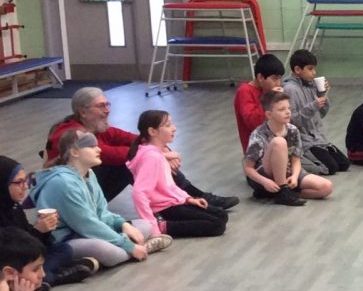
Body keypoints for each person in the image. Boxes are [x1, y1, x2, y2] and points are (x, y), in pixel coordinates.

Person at [45, 87, 237, 209]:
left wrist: (161, 148)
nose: (107, 110)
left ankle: (187, 198)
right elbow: (110, 154)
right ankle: (179, 204)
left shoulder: (94, 126)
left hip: (87, 186)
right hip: (73, 196)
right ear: (83, 112)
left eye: (108, 104)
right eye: (101, 106)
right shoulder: (74, 134)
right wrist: (156, 152)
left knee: (143, 156)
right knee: (133, 163)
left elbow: (132, 138)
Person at [32, 130, 172, 267]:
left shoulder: (89, 173)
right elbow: (86, 224)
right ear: (74, 152)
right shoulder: (63, 183)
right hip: (68, 239)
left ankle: (124, 251)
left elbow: (102, 212)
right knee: (111, 253)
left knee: (145, 225)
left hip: (89, 232)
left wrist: (123, 225)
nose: (98, 149)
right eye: (92, 146)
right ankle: (139, 249)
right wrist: (127, 245)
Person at [0, 155, 95, 287]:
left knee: (64, 249)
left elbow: (28, 236)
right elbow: (7, 253)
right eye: (19, 182)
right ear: (1, 184)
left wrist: (45, 230)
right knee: (33, 273)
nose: (26, 186)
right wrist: (38, 231)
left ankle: (50, 271)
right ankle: (51, 277)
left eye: (25, 180)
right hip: (11, 266)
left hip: (27, 259)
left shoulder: (13, 205)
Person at [128, 110, 230, 238]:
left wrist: (188, 199)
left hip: (173, 203)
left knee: (221, 215)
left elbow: (170, 186)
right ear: (152, 131)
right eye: (168, 125)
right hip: (164, 209)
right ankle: (163, 226)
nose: (174, 128)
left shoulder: (157, 154)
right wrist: (153, 227)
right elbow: (139, 193)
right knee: (217, 224)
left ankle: (168, 222)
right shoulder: (152, 157)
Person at [243, 90, 334, 205]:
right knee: (279, 142)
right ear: (269, 114)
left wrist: (295, 177)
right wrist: (265, 182)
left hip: (288, 171)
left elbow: (296, 160)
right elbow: (248, 168)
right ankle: (282, 190)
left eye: (289, 108)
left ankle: (280, 193)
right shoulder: (258, 134)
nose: (287, 112)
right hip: (265, 175)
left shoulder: (293, 130)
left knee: (326, 187)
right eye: (281, 109)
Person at [282, 48, 350, 175]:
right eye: (310, 69)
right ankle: (296, 160)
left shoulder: (310, 85)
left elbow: (321, 114)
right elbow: (292, 121)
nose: (314, 73)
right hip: (303, 141)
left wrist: (321, 94)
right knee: (330, 168)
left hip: (317, 138)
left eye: (314, 68)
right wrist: (313, 106)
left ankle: (315, 154)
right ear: (297, 70)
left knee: (344, 164)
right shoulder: (289, 89)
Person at [234, 53, 286, 151]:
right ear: (260, 77)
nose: (278, 83)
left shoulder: (266, 89)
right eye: (274, 79)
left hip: (275, 143)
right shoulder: (244, 91)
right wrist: (271, 98)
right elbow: (253, 122)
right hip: (257, 149)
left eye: (280, 78)